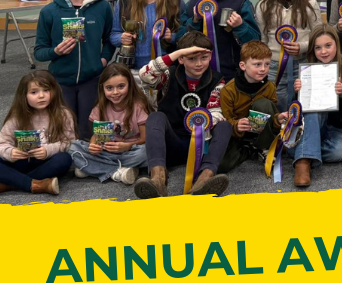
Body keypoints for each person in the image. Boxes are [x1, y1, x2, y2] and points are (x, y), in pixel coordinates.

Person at [135, 31, 231, 198]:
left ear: (210, 56)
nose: (199, 64)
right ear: (181, 59)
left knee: (224, 125)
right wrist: (176, 53)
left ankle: (205, 178)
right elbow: (145, 75)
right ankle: (158, 178)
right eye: (192, 58)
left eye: (204, 58)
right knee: (156, 117)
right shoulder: (168, 75)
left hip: (202, 147)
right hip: (172, 144)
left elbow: (216, 112)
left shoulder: (217, 80)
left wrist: (204, 125)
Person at [34, 0, 115, 141]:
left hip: (92, 79)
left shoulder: (102, 7)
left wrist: (103, 60)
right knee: (64, 131)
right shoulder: (49, 12)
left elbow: (110, 39)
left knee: (89, 131)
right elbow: (39, 52)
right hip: (61, 81)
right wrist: (56, 52)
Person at [290, 25, 342, 186]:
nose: (323, 51)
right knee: (313, 110)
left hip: (337, 129)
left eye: (328, 45)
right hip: (313, 124)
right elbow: (298, 112)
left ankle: (303, 151)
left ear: (336, 44)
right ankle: (302, 163)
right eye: (318, 47)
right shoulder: (306, 71)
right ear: (313, 49)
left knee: (341, 151)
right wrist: (299, 93)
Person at [254, 0, 322, 111]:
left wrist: (302, 46)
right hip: (274, 66)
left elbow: (318, 35)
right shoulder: (263, 5)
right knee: (277, 107)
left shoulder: (310, 3)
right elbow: (263, 39)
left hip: (303, 63)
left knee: (306, 107)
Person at [68, 63, 151, 184]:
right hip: (106, 152)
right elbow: (97, 136)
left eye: (121, 86)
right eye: (109, 88)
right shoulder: (100, 107)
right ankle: (118, 170)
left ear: (130, 85)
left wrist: (127, 146)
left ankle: (93, 167)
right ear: (103, 88)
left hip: (131, 151)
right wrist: (93, 145)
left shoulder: (138, 106)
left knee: (147, 152)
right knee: (72, 147)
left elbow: (145, 138)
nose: (115, 92)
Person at [183, 0, 260, 82]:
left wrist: (241, 26)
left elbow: (256, 41)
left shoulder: (241, 2)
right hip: (198, 74)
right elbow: (181, 39)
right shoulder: (193, 3)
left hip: (233, 74)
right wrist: (194, 22)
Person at [219, 40, 287, 176]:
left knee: (263, 104)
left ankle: (264, 146)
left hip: (262, 132)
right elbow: (225, 121)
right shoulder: (228, 90)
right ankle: (250, 150)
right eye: (257, 64)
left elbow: (271, 116)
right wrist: (237, 125)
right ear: (243, 66)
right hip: (238, 135)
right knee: (222, 165)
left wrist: (278, 118)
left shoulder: (269, 87)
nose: (263, 69)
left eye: (267, 64)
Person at [0, 71, 75, 195]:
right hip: (21, 161)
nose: (41, 96)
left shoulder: (63, 113)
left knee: (64, 159)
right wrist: (11, 152)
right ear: (24, 95)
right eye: (34, 92)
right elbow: (2, 143)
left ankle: (10, 183)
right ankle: (37, 184)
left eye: (46, 90)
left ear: (54, 91)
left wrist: (47, 150)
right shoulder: (17, 116)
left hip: (46, 161)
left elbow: (69, 142)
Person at [111, 0, 186, 73]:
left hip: (166, 68)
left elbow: (186, 36)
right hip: (132, 68)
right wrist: (121, 38)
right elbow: (113, 35)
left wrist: (172, 37)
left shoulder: (176, 2)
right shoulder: (125, 1)